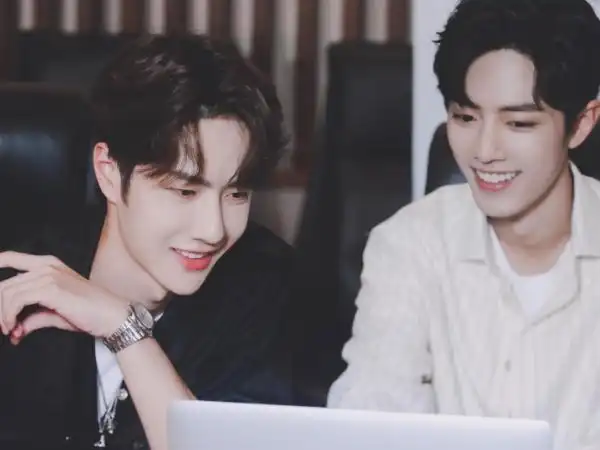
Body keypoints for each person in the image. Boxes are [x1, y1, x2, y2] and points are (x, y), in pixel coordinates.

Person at [327, 0, 600, 449]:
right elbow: (371, 418)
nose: (485, 151)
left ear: (581, 124)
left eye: (518, 123)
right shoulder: (410, 244)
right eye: (465, 118)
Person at [0, 35, 293, 450]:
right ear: (108, 172)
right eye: (185, 191)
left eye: (236, 193)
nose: (214, 230)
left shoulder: (268, 287)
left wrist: (125, 330)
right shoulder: (22, 284)